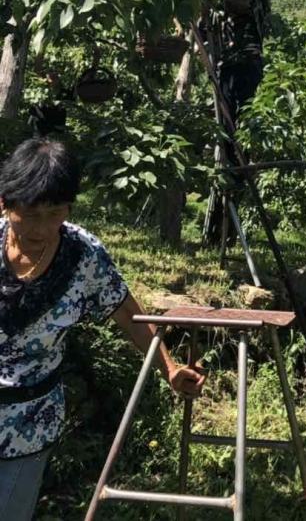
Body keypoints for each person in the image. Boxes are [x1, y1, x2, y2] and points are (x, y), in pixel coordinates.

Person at [0, 138, 206, 520]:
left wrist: (170, 369)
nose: (41, 227)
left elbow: (128, 315)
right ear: (5, 203)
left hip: (28, 423)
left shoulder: (83, 257)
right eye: (29, 213)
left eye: (54, 212)